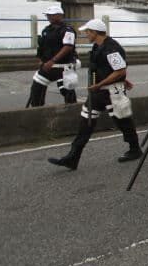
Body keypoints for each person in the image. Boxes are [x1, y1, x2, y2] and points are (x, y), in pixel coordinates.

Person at [47, 18, 141, 169]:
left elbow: (120, 70)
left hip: (111, 92)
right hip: (98, 92)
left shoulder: (111, 48)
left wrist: (100, 84)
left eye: (87, 32)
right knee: (85, 123)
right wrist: (115, 81)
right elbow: (111, 69)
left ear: (95, 32)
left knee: (122, 121)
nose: (86, 35)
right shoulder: (98, 46)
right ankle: (73, 157)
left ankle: (135, 149)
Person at [28, 4, 78, 106]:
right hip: (47, 66)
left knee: (66, 89)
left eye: (52, 15)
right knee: (37, 87)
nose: (49, 17)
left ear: (60, 15)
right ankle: (37, 109)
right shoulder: (46, 30)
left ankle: (73, 109)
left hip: (63, 67)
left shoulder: (67, 30)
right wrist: (41, 60)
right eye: (48, 15)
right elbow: (42, 47)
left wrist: (53, 60)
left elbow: (67, 47)